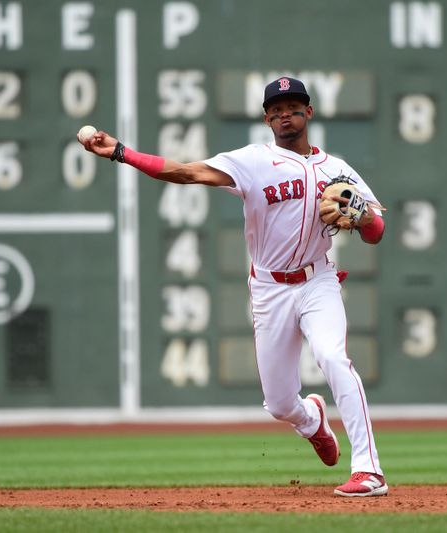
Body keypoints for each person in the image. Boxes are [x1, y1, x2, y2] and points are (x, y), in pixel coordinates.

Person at [80, 77, 388, 497]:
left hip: (318, 281)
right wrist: (120, 152)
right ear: (266, 118)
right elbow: (186, 172)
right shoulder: (252, 160)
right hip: (269, 289)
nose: (284, 113)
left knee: (334, 358)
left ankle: (368, 470)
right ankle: (312, 420)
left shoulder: (339, 170)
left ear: (309, 113)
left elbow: (376, 232)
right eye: (276, 108)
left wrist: (365, 217)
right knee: (280, 403)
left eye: (293, 106)